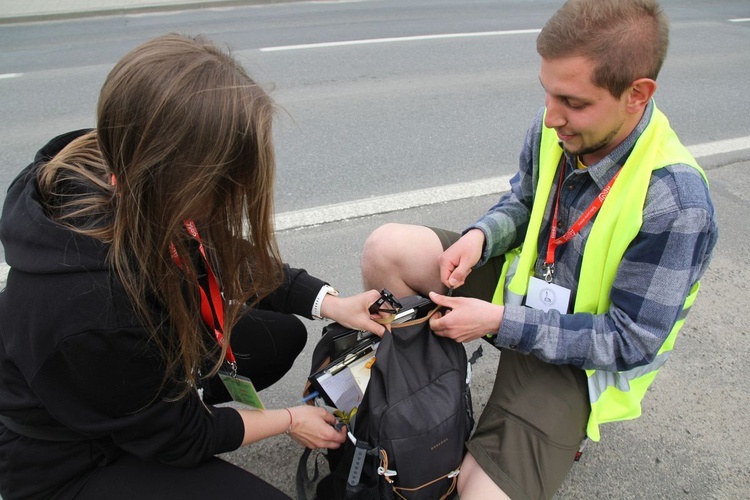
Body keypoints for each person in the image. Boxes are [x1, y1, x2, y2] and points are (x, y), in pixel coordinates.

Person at [0, 33, 389, 500]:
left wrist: (333, 304)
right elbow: (181, 438)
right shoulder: (90, 307)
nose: (238, 192)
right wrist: (288, 420)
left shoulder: (131, 165)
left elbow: (224, 254)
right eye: (227, 180)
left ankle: (177, 403)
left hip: (129, 374)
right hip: (68, 459)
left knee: (281, 336)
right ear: (182, 176)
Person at [360, 0, 718, 498]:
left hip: (577, 357)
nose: (552, 118)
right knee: (388, 250)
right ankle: (433, 393)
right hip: (518, 293)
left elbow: (630, 340)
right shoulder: (557, 126)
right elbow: (524, 201)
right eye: (547, 93)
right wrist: (481, 236)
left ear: (637, 94)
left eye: (572, 102)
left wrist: (498, 323)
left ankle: (544, 430)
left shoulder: (676, 203)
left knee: (478, 493)